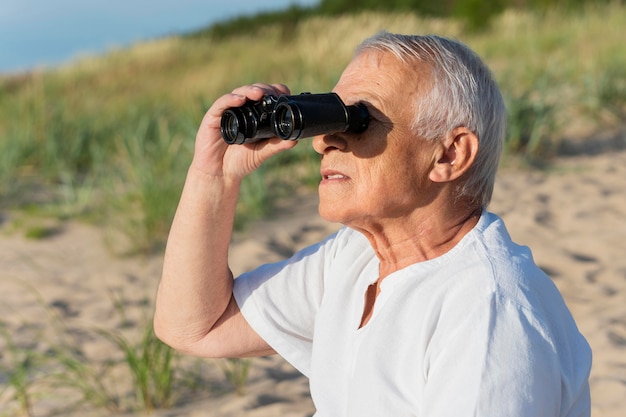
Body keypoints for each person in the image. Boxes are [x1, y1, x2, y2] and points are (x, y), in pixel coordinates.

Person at [154, 32, 591, 416]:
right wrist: (212, 177)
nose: (323, 140)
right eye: (328, 117)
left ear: (449, 154)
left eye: (358, 120)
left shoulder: (488, 313)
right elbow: (195, 327)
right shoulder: (357, 257)